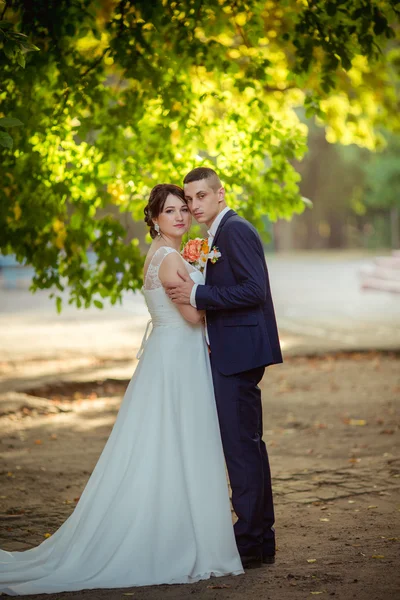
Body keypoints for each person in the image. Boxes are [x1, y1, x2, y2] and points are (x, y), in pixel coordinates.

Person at [0, 184, 243, 596]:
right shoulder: (168, 260)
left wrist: (203, 288)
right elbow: (193, 317)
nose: (181, 217)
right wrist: (224, 298)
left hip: (174, 358)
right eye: (170, 211)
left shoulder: (169, 254)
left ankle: (186, 530)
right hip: (175, 361)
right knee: (178, 442)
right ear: (154, 219)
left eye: (184, 209)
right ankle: (178, 540)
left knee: (174, 443)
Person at [165, 168, 283, 569]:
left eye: (201, 197)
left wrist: (198, 293)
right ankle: (258, 536)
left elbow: (254, 290)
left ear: (220, 194)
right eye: (189, 198)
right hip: (234, 351)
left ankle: (251, 539)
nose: (194, 205)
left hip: (239, 354)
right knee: (247, 445)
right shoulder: (217, 233)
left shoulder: (234, 230)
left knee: (241, 448)